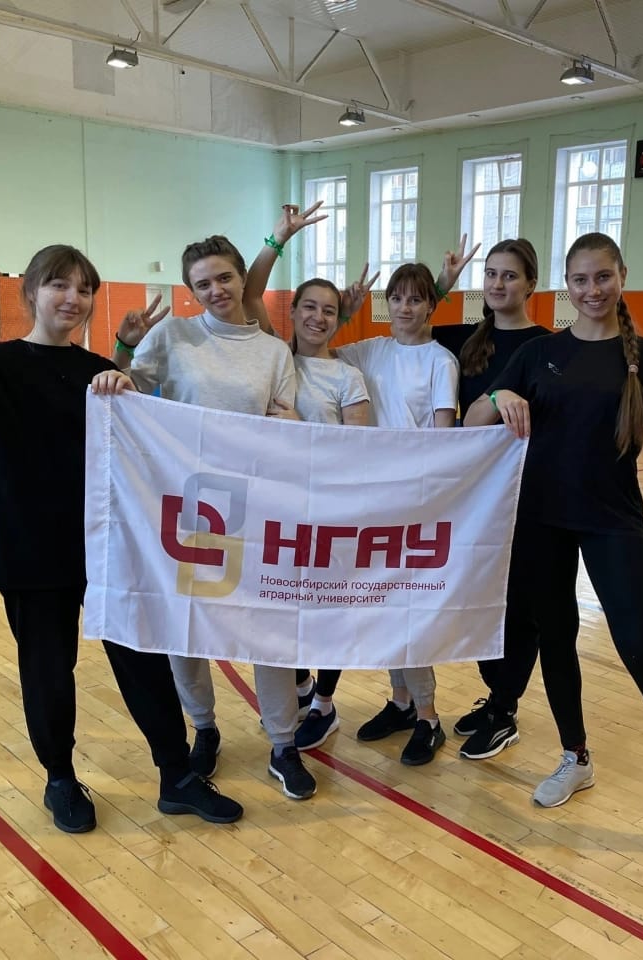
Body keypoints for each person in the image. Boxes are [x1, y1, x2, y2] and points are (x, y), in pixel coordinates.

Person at [0, 242, 243, 832]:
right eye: (59, 285)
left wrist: (122, 371)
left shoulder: (99, 371)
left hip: (109, 546)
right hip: (32, 548)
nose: (73, 298)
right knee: (48, 670)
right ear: (31, 293)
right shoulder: (0, 363)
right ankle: (61, 780)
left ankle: (177, 776)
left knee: (142, 658)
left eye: (84, 288)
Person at [464, 231, 643, 876]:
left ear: (622, 277)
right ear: (566, 286)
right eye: (580, 280)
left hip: (613, 522)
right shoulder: (539, 353)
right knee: (557, 640)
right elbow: (475, 419)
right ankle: (575, 757)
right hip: (540, 521)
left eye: (602, 277)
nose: (592, 290)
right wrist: (499, 395)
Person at [111, 226, 319, 801]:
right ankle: (203, 728)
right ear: (191, 290)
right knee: (187, 629)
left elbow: (286, 423)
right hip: (189, 506)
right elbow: (124, 394)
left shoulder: (274, 351)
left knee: (269, 628)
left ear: (241, 278)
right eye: (202, 284)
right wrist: (124, 349)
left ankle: (283, 743)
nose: (216, 290)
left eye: (224, 277)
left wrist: (292, 424)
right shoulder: (171, 336)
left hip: (258, 507)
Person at [240, 208, 377, 751]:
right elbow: (251, 292)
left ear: (340, 319)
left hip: (331, 506)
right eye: (310, 307)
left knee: (329, 611)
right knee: (283, 608)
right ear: (292, 312)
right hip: (278, 506)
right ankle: (297, 689)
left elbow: (359, 451)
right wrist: (278, 239)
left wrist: (303, 431)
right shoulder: (274, 355)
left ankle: (324, 702)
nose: (318, 317)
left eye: (329, 310)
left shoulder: (348, 376)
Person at [429, 237, 550, 760]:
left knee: (519, 604)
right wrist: (442, 283)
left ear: (531, 284)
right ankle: (496, 694)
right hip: (473, 499)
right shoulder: (464, 340)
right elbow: (410, 321)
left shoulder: (547, 347)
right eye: (492, 274)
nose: (498, 284)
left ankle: (505, 708)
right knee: (478, 598)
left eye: (510, 275)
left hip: (526, 495)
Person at [334, 262, 459, 765]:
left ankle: (429, 717)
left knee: (409, 613)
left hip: (416, 500)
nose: (405, 308)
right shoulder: (370, 350)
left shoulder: (440, 361)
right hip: (373, 498)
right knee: (384, 607)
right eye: (397, 298)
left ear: (431, 305)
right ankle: (402, 702)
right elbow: (314, 350)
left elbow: (444, 438)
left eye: (416, 299)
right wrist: (345, 312)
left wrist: (428, 497)